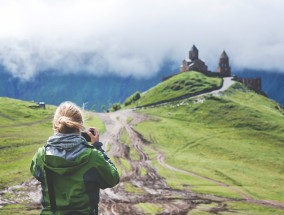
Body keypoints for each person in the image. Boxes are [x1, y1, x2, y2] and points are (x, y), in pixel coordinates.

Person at [30, 101, 119, 215]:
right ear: (79, 128)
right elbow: (113, 179)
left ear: (55, 127)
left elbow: (36, 173)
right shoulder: (93, 156)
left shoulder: (41, 156)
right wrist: (97, 147)